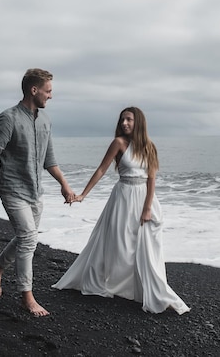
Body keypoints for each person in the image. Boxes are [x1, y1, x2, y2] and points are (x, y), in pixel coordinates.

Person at [52, 106, 190, 315]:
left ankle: (143, 288)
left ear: (138, 123)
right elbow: (101, 169)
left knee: (145, 247)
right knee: (119, 243)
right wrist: (83, 195)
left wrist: (147, 208)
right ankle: (111, 283)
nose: (124, 123)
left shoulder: (149, 147)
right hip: (123, 197)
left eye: (129, 120)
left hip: (144, 198)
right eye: (122, 120)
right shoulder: (118, 143)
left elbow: (152, 179)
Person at [0, 68, 75, 317]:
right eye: (48, 91)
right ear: (34, 90)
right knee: (29, 238)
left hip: (36, 191)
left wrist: (64, 184)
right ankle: (26, 296)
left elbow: (49, 160)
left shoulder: (46, 121)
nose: (51, 96)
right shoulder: (8, 118)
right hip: (12, 189)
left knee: (24, 238)